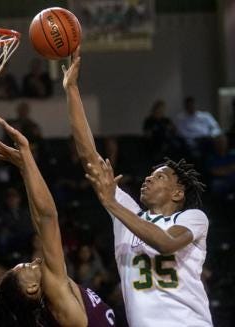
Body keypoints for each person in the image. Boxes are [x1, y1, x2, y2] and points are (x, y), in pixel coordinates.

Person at [62, 48, 213, 326]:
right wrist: (71, 90)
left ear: (178, 193)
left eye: (159, 177)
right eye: (149, 175)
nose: (148, 178)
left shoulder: (192, 218)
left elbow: (165, 243)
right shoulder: (128, 212)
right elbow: (90, 159)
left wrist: (111, 204)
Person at [0, 115, 115, 327]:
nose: (36, 261)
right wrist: (27, 155)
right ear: (31, 288)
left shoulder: (50, 304)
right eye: (28, 267)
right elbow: (48, 217)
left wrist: (25, 170)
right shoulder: (55, 291)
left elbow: (40, 222)